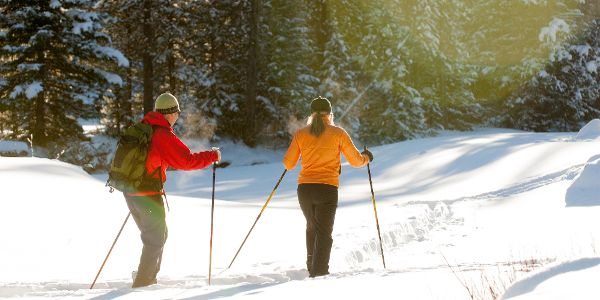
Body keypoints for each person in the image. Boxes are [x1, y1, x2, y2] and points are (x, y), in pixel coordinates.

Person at [125, 92, 221, 288]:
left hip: (131, 191)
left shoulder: (144, 127)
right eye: (177, 112)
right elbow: (185, 161)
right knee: (155, 238)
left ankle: (147, 274)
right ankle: (143, 282)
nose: (178, 116)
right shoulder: (162, 134)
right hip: (147, 193)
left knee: (157, 235)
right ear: (169, 113)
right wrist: (211, 156)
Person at [282, 96, 373, 277]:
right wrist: (367, 158)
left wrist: (304, 153)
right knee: (324, 232)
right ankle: (320, 273)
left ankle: (311, 267)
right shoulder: (338, 133)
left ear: (312, 114)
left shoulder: (301, 134)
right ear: (330, 114)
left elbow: (289, 164)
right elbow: (355, 161)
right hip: (327, 189)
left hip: (305, 189)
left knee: (311, 226)